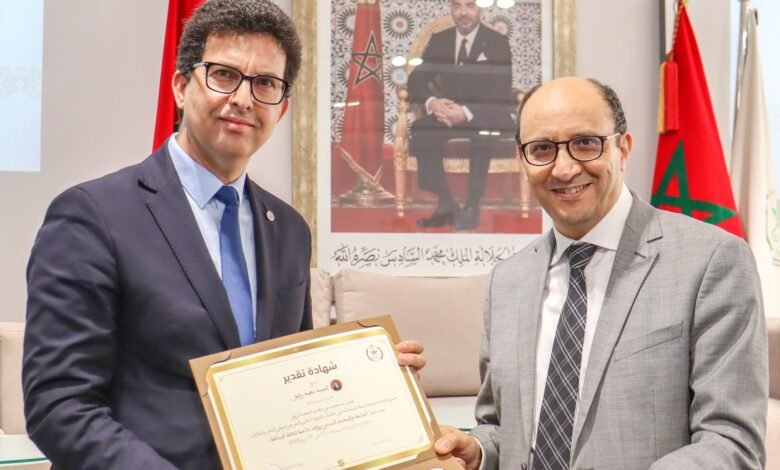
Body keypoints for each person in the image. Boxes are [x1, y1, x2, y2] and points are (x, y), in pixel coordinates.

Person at [22, 1, 424, 468]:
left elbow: (295, 382)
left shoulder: (289, 230)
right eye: (224, 75)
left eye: (265, 84)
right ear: (180, 87)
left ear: (282, 108)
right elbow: (60, 405)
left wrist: (376, 383)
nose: (244, 99)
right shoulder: (93, 216)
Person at [434, 77, 768, 469]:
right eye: (542, 149)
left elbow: (732, 443)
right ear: (523, 160)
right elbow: (500, 427)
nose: (563, 168)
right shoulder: (507, 281)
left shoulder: (712, 261)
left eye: (585, 143)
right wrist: (477, 452)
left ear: (622, 149)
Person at [407, 0, 515, 230]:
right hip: (449, 113)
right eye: (457, 6)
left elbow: (500, 89)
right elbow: (416, 78)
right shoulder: (441, 40)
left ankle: (472, 204)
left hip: (486, 113)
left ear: (480, 9)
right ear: (451, 9)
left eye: (470, 6)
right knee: (421, 129)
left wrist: (466, 112)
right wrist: (433, 103)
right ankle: (446, 203)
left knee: (482, 133)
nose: (463, 13)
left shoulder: (497, 42)